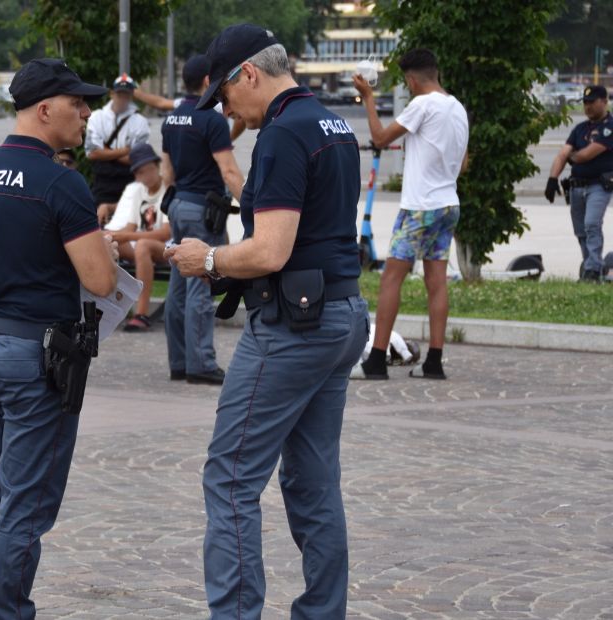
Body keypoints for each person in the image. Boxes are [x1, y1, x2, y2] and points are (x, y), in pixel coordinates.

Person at [164, 25, 368, 618]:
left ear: (248, 73)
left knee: (229, 478)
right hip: (339, 313)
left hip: (292, 327)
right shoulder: (333, 123)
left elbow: (270, 251)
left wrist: (206, 259)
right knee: (312, 481)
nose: (227, 111)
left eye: (225, 97)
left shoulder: (281, 135)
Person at [0, 58, 118, 619]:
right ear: (46, 109)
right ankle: (8, 613)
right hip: (34, 359)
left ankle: (0, 607)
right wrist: (99, 253)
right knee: (24, 505)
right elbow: (100, 282)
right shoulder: (61, 182)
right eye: (78, 102)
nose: (87, 112)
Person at [354, 48, 469, 380]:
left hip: (420, 206)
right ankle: (434, 362)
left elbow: (379, 138)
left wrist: (368, 98)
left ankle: (376, 360)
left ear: (412, 79)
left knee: (391, 277)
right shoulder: (457, 108)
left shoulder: (422, 104)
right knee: (436, 281)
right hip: (449, 204)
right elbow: (462, 163)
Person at [160, 54, 245, 384]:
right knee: (200, 283)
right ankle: (202, 364)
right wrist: (251, 206)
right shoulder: (211, 120)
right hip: (203, 210)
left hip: (179, 203)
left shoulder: (173, 119)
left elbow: (167, 169)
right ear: (209, 82)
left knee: (178, 287)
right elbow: (228, 169)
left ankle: (179, 362)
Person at [546, 84, 613, 283]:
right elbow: (562, 154)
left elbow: (585, 155)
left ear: (604, 101)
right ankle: (589, 267)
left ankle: (593, 268)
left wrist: (570, 156)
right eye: (585, 103)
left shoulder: (609, 127)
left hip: (598, 186)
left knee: (592, 224)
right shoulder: (580, 129)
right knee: (581, 230)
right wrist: (552, 179)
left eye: (592, 102)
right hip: (577, 186)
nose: (588, 107)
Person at [105, 143, 171, 331]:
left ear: (157, 166)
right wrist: (114, 235)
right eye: (140, 172)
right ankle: (107, 306)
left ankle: (141, 313)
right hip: (141, 247)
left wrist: (125, 235)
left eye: (149, 169)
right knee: (107, 240)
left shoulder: (167, 189)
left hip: (165, 248)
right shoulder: (139, 192)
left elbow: (166, 233)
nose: (146, 176)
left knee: (142, 244)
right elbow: (130, 226)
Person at [86, 73, 150, 222]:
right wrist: (124, 151)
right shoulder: (96, 117)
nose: (123, 99)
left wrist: (105, 152)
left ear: (131, 95)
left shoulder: (140, 122)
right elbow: (92, 153)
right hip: (102, 184)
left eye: (126, 95)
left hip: (129, 182)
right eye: (119, 94)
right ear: (112, 93)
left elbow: (137, 160)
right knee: (100, 225)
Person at [135, 84, 248, 141]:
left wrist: (138, 94)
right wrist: (229, 139)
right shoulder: (215, 105)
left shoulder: (185, 103)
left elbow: (161, 103)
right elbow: (241, 117)